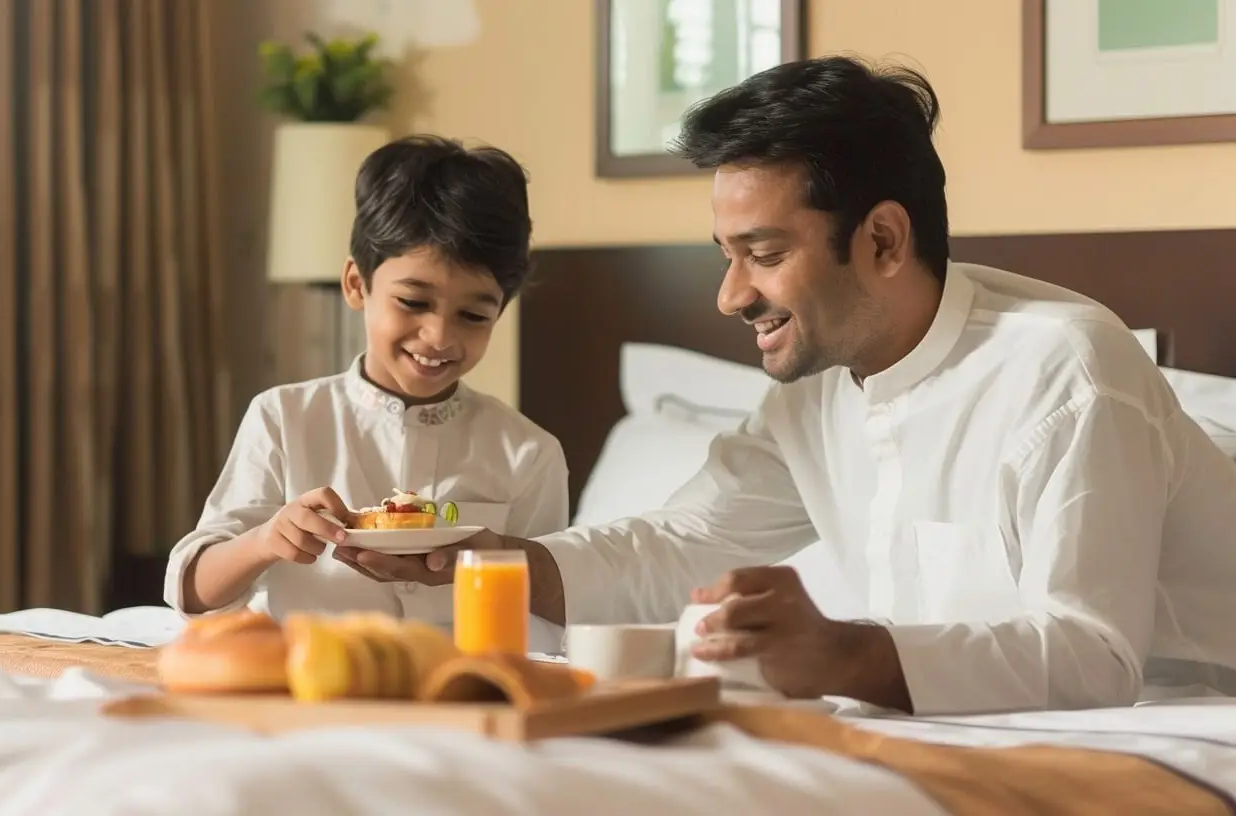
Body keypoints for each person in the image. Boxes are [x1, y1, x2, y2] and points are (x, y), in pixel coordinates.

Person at [332, 56, 1236, 716]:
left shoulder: (1068, 369)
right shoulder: (815, 391)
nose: (731, 296)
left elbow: (1096, 656)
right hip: (943, 738)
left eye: (763, 254)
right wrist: (491, 556)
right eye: (727, 256)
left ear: (883, 241)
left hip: (1175, 717)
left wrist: (846, 653)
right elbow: (681, 540)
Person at [163, 135, 569, 649]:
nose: (439, 336)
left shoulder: (529, 454)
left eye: (473, 315)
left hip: (457, 690)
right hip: (311, 685)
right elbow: (192, 593)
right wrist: (267, 539)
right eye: (413, 301)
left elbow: (545, 621)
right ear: (357, 285)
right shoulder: (284, 417)